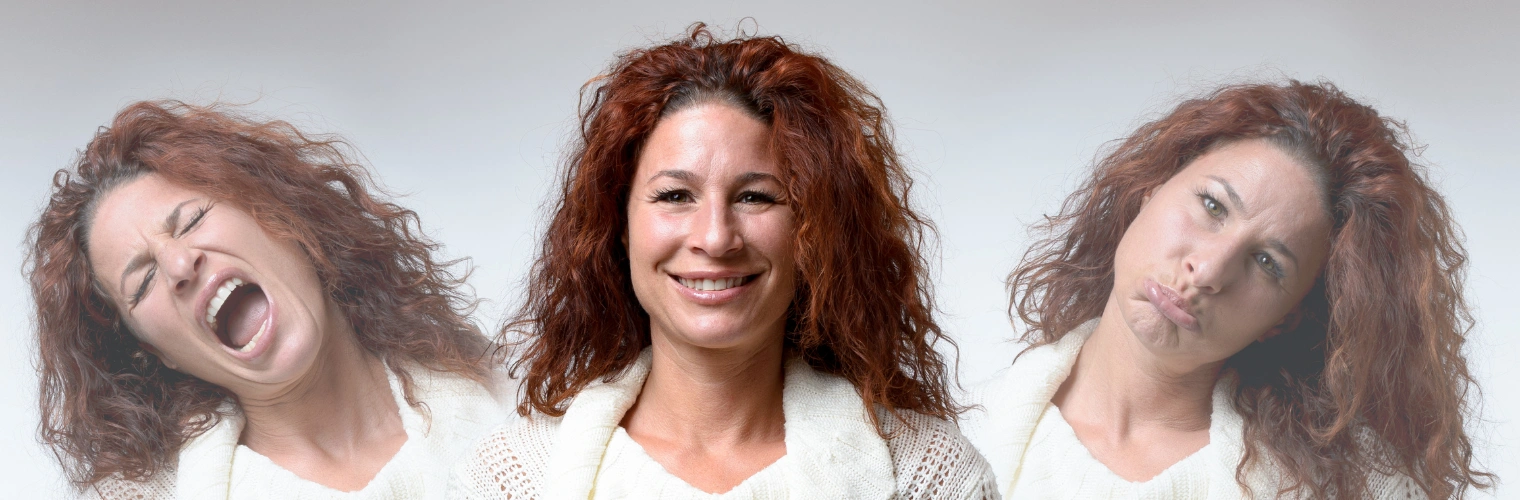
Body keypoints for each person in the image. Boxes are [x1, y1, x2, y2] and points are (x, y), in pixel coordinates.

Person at [453, 25, 997, 499]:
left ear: (814, 230)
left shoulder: (931, 477)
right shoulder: (514, 480)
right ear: (618, 225)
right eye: (674, 196)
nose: (715, 238)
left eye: (756, 196)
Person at [968, 81, 1492, 498]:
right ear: (1149, 189)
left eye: (1267, 263)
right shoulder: (961, 439)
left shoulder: (1356, 487)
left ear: (1287, 317)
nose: (1208, 270)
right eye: (1213, 206)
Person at [27, 101, 513, 499]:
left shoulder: (525, 402)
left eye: (192, 221)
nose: (179, 265)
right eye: (143, 281)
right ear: (157, 353)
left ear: (285, 216)